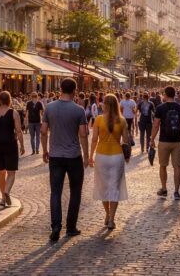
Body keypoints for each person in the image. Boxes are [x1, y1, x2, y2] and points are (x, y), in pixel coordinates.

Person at [41, 78, 89, 242]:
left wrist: (45, 150)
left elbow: (43, 131)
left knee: (55, 192)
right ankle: (71, 226)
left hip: (55, 155)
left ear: (60, 89)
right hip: (74, 155)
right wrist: (87, 155)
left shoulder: (49, 107)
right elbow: (83, 134)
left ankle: (55, 226)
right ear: (74, 91)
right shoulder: (79, 110)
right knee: (75, 191)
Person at [89, 94, 130, 230]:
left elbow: (94, 139)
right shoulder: (122, 120)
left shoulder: (99, 119)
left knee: (103, 187)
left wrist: (90, 156)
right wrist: (127, 156)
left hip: (102, 156)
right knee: (114, 188)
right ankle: (112, 218)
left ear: (104, 104)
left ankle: (107, 214)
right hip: (117, 156)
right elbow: (126, 141)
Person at [149, 86, 180, 201]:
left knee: (163, 166)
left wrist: (152, 139)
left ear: (165, 95)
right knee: (177, 167)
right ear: (174, 94)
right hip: (177, 141)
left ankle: (164, 188)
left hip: (164, 141)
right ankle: (176, 192)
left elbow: (156, 125)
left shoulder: (160, 108)